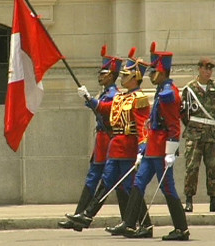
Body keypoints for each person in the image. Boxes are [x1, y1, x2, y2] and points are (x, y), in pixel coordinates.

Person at [66, 47, 153, 238]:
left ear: (135, 78)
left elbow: (143, 126)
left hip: (128, 148)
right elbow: (104, 108)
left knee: (130, 187)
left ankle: (145, 224)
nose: (121, 78)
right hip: (115, 148)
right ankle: (88, 215)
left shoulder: (140, 98)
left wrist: (142, 148)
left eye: (125, 75)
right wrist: (88, 98)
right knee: (106, 181)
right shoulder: (121, 96)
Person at [118, 41, 190, 241]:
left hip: (162, 150)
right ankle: (130, 223)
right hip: (152, 148)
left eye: (153, 71)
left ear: (162, 72)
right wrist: (143, 149)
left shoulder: (169, 94)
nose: (150, 75)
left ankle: (181, 229)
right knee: (138, 182)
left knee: (168, 188)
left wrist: (171, 150)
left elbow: (174, 125)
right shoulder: (161, 90)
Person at [58, 45, 122, 231]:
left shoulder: (114, 94)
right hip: (101, 140)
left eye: (103, 73)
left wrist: (90, 98)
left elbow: (106, 109)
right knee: (93, 177)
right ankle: (78, 217)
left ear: (111, 75)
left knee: (114, 181)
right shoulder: (104, 93)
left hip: (110, 139)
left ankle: (131, 220)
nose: (100, 76)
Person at [180, 57, 215, 213]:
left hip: (211, 134)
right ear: (199, 69)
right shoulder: (189, 89)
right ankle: (189, 200)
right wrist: (195, 127)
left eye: (210, 69)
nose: (208, 72)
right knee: (192, 167)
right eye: (205, 68)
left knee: (213, 168)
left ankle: (214, 200)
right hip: (194, 134)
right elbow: (184, 114)